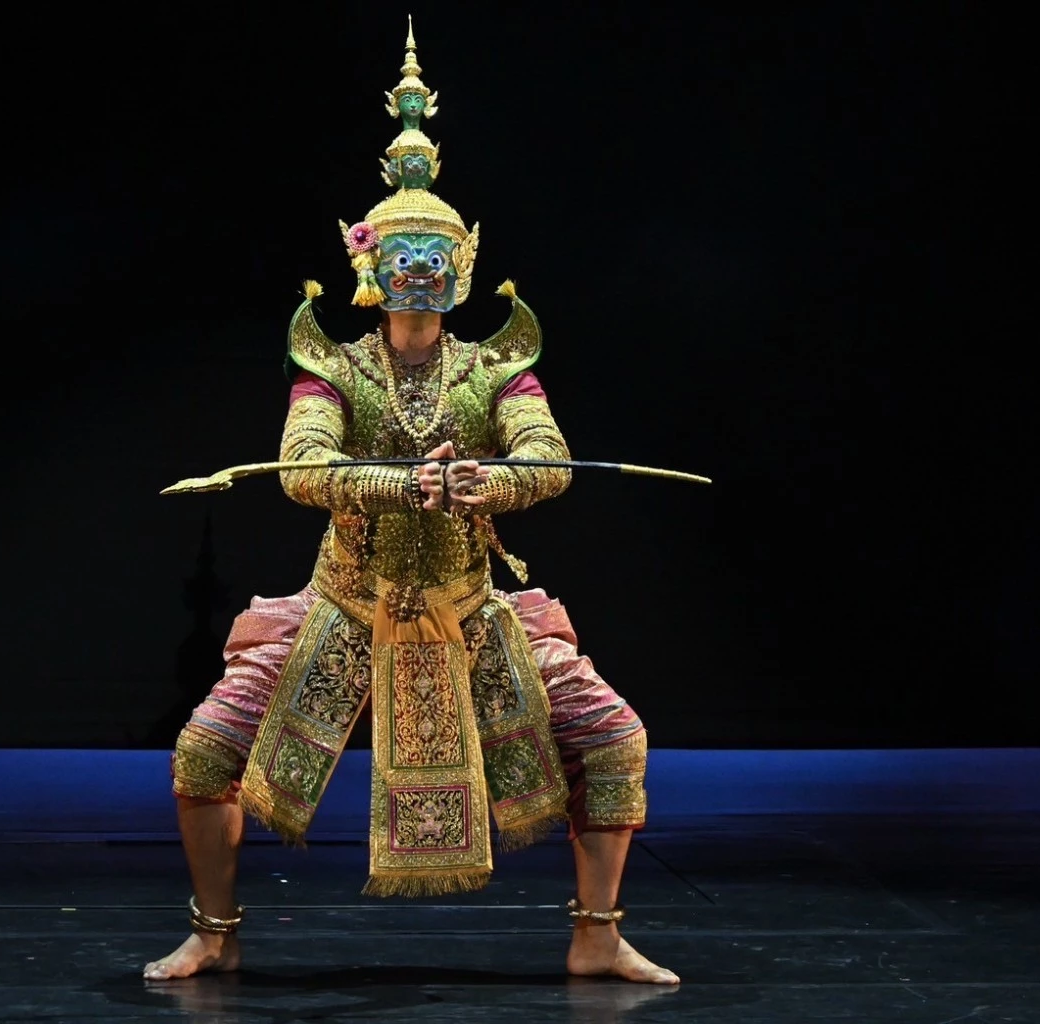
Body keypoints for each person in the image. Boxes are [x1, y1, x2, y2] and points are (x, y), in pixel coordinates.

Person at [145, 19, 678, 987]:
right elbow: (303, 468)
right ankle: (214, 932)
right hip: (347, 608)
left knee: (612, 737)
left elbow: (547, 458)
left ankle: (596, 934)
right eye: (406, 255)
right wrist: (399, 482)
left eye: (437, 255)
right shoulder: (335, 368)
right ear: (371, 265)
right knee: (205, 750)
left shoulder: (495, 369)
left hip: (470, 612)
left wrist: (488, 481)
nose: (421, 271)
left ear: (462, 265)